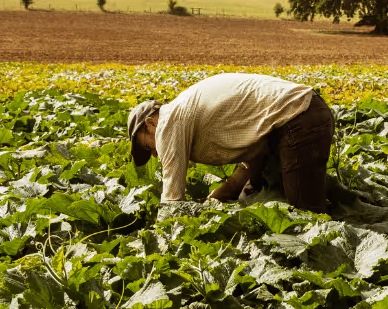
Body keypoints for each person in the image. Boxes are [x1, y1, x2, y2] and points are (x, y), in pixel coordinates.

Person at [128, 72, 334, 213]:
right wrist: (229, 188)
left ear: (151, 123)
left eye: (148, 145)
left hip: (297, 118)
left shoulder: (167, 121)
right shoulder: (185, 107)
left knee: (306, 217)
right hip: (307, 110)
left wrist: (163, 236)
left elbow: (172, 203)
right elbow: (255, 150)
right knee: (252, 196)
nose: (155, 154)